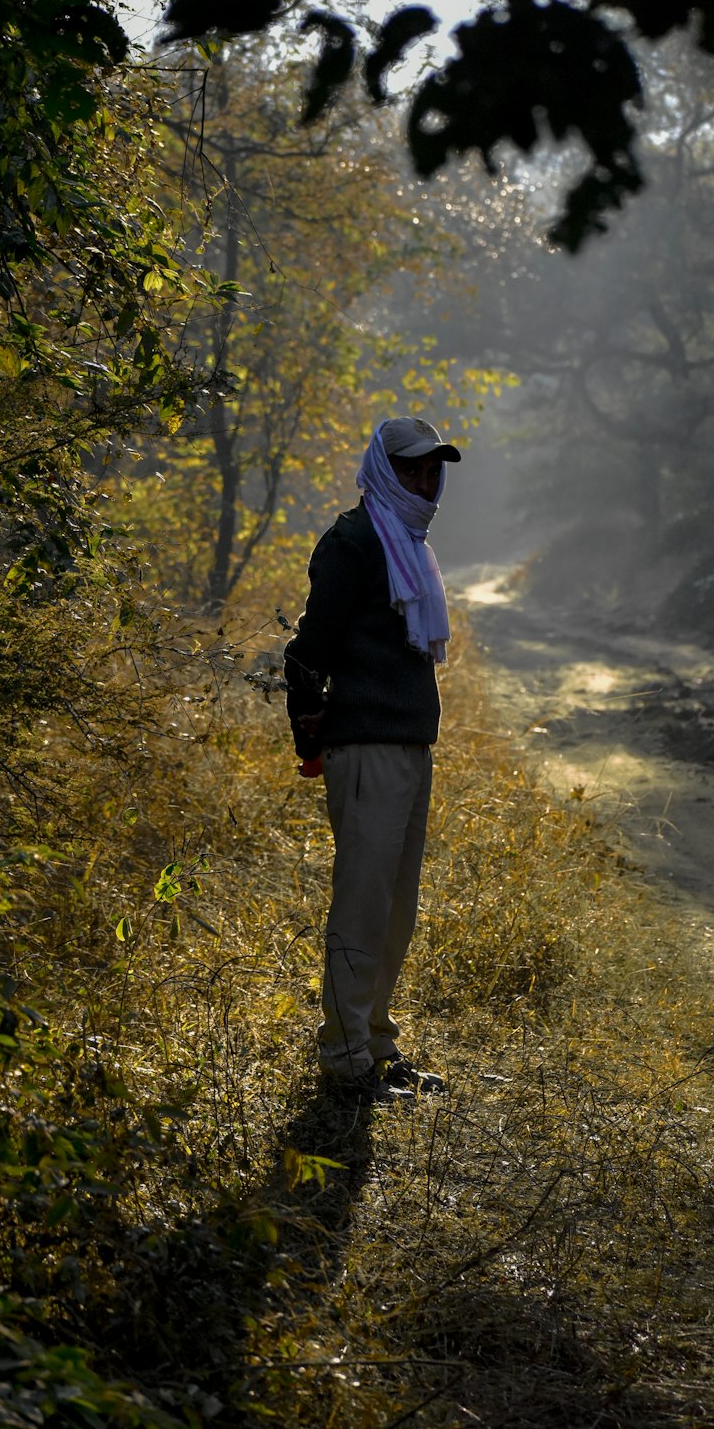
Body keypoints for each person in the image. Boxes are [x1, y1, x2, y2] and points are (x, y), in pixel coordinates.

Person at [284, 416, 462, 1104]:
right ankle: (344, 1058)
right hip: (366, 751)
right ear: (385, 471)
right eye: (412, 468)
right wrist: (312, 735)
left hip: (410, 749)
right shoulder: (355, 541)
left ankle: (376, 1044)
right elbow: (308, 650)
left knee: (396, 908)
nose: (424, 480)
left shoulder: (409, 544)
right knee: (363, 907)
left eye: (432, 470)